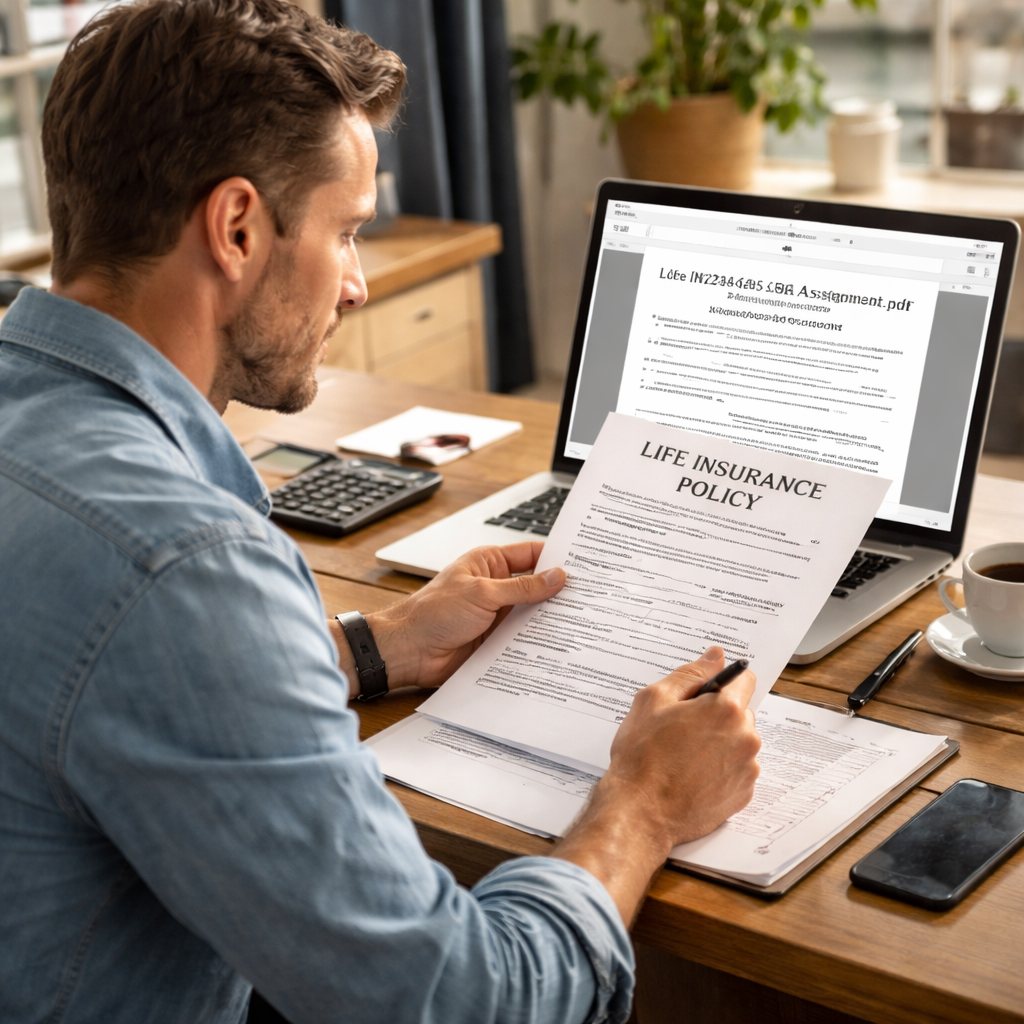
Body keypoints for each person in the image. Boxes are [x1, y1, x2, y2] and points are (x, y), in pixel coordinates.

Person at [0, 2, 761, 1022]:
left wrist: (367, 648)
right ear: (235, 228)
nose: (355, 283)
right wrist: (644, 804)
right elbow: (465, 1003)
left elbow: (84, 682)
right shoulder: (182, 564)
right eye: (348, 231)